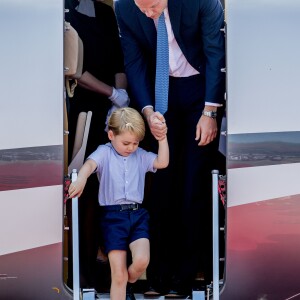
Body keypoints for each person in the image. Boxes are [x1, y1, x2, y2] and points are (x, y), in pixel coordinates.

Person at [114, 0, 226, 297]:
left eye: (153, 6)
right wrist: (148, 112)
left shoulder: (200, 2)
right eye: (143, 7)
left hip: (199, 92)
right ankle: (158, 277)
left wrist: (211, 111)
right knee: (160, 185)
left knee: (192, 187)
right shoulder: (125, 7)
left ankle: (185, 280)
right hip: (158, 92)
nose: (148, 14)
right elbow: (134, 62)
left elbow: (215, 52)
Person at [68, 107, 169, 300]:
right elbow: (90, 165)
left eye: (135, 142)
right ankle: (122, 282)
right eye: (126, 143)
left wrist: (162, 138)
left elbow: (162, 162)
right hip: (112, 217)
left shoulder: (139, 154)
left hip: (138, 215)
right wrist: (80, 179)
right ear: (111, 135)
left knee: (141, 261)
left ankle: (129, 281)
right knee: (118, 275)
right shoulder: (104, 152)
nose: (131, 147)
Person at [64, 0, 130, 289]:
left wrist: (121, 102)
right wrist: (111, 94)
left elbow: (118, 61)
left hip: (109, 115)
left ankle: (107, 266)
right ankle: (82, 269)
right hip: (79, 111)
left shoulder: (105, 12)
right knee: (84, 192)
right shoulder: (64, 8)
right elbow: (73, 69)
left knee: (112, 189)